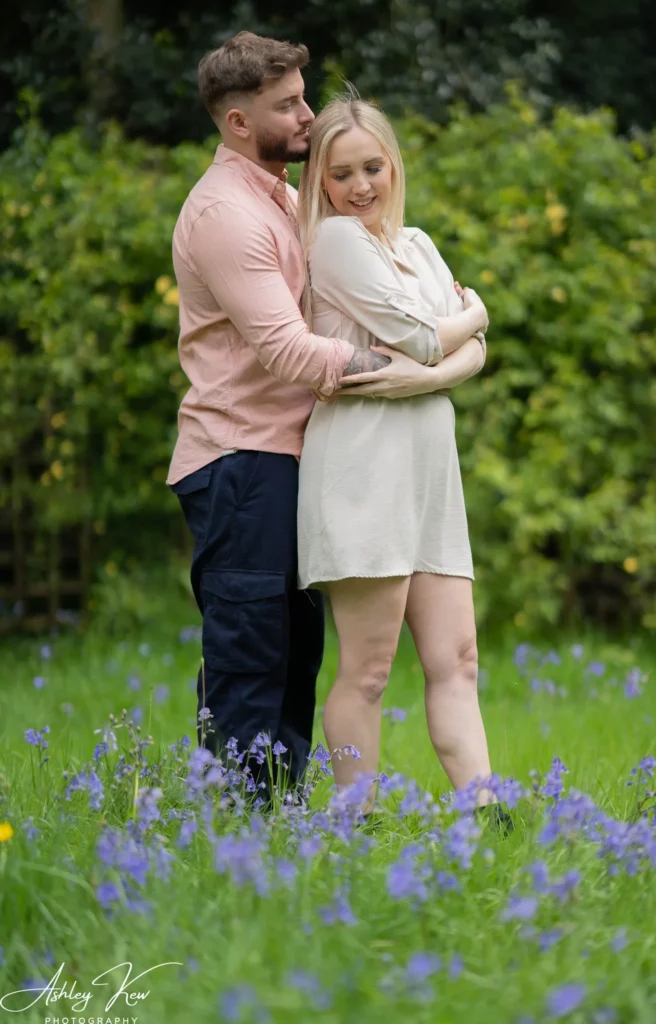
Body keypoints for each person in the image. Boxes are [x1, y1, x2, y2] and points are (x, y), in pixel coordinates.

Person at [167, 32, 485, 795]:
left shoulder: (283, 199)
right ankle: (233, 827)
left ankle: (283, 825)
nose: (307, 115)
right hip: (241, 457)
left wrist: (445, 352)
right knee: (251, 653)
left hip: (296, 453)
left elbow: (411, 325)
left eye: (303, 97)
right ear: (238, 121)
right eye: (287, 105)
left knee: (292, 654)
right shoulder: (227, 215)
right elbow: (293, 352)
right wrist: (417, 363)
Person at [296, 94, 510, 826]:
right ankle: (354, 824)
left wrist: (437, 364)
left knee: (458, 660)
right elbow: (428, 334)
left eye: (372, 168)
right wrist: (473, 316)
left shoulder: (416, 243)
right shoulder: (334, 241)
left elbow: (461, 354)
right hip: (363, 468)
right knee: (370, 669)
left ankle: (485, 817)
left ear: (393, 165)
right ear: (320, 181)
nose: (360, 186)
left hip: (427, 473)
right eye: (341, 173)